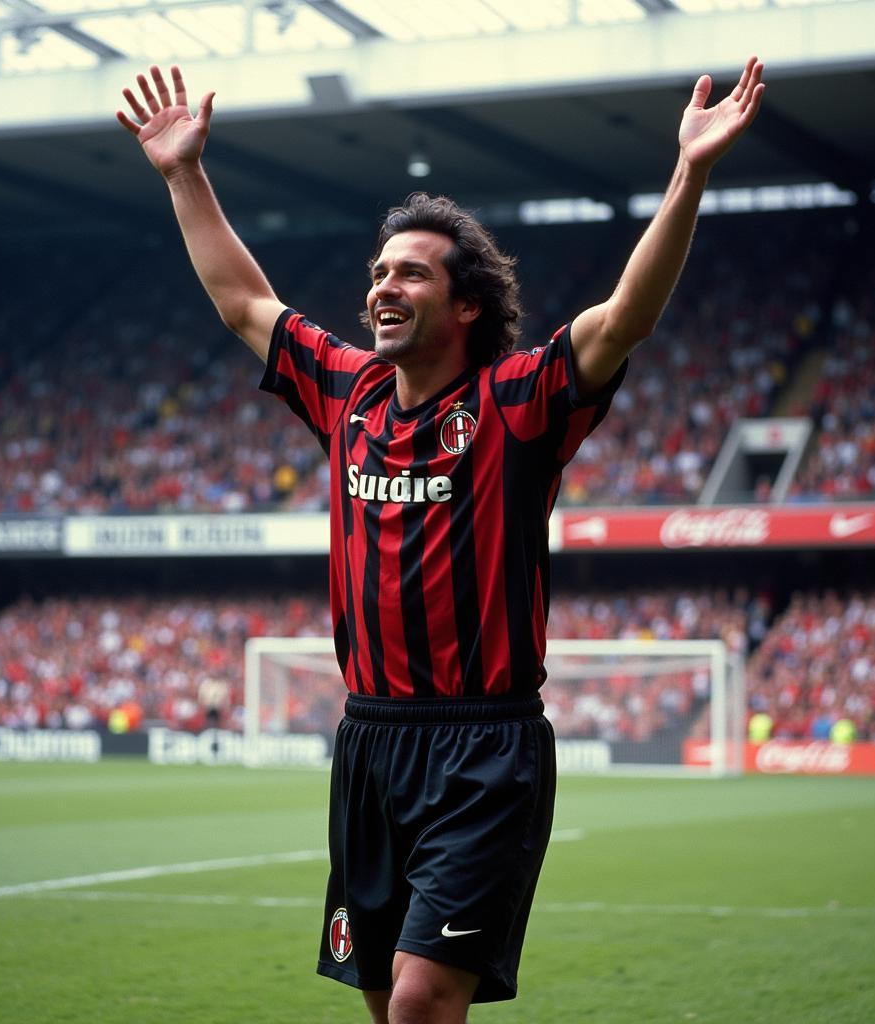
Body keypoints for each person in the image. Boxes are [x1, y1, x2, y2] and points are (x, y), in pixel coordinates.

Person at [118, 57, 764, 1024]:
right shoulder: (349, 393)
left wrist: (690, 173)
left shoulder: (517, 403)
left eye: (411, 273)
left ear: (466, 306)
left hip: (484, 747)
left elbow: (625, 317)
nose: (383, 285)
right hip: (370, 742)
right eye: (379, 271)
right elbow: (245, 304)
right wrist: (183, 175)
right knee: (387, 1006)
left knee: (422, 1001)